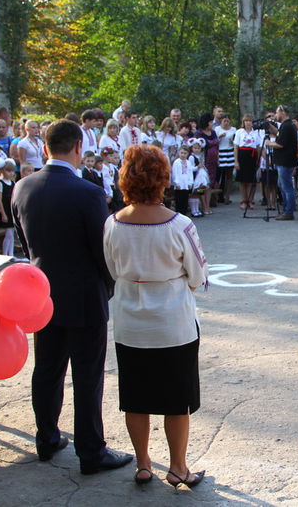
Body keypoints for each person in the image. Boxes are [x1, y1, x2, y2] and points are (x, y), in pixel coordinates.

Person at [12, 119, 132, 474]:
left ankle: (47, 439)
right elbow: (103, 250)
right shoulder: (88, 192)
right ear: (79, 147)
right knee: (87, 376)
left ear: (45, 148)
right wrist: (108, 286)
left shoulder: (22, 187)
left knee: (46, 370)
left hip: (41, 295)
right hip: (83, 296)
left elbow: (25, 241)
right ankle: (91, 452)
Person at [102, 144, 207, 488]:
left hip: (130, 323)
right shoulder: (181, 225)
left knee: (136, 396)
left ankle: (144, 464)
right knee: (177, 401)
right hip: (173, 324)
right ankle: (178, 467)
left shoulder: (113, 223)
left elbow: (113, 268)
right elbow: (197, 275)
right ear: (163, 178)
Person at [266, 105, 298, 220]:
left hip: (285, 161)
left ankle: (289, 211)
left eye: (277, 112)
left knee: (287, 186)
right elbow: (279, 134)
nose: (275, 115)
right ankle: (286, 209)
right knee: (282, 185)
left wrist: (269, 143)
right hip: (283, 161)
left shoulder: (288, 126)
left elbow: (280, 143)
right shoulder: (286, 126)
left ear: (283, 112)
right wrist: (269, 127)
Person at [233, 115, 261, 211]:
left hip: (252, 156)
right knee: (242, 180)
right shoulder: (239, 132)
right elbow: (236, 147)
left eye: (250, 121)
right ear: (243, 122)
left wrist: (258, 160)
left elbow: (258, 147)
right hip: (242, 155)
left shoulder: (255, 133)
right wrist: (236, 161)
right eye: (246, 121)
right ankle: (243, 200)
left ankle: (250, 200)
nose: (248, 123)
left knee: (250, 180)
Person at [0, 158, 17, 256]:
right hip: (5, 210)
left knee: (11, 234)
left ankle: (10, 254)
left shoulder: (12, 183)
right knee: (8, 234)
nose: (11, 173)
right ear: (2, 171)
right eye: (8, 171)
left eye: (12, 171)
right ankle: (5, 254)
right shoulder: (0, 183)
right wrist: (3, 213)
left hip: (11, 209)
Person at [214, 115, 236, 205]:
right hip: (220, 152)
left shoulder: (233, 129)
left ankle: (227, 196)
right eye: (224, 121)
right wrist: (219, 137)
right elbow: (214, 142)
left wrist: (232, 141)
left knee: (229, 176)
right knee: (218, 176)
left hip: (230, 152)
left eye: (227, 121)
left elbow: (236, 142)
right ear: (221, 121)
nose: (226, 122)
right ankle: (216, 197)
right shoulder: (217, 129)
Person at [171, 146, 194, 215]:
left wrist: (190, 183)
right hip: (179, 184)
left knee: (185, 199)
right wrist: (176, 183)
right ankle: (179, 214)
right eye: (181, 153)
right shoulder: (177, 162)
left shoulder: (188, 162)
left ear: (188, 154)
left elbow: (190, 173)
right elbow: (175, 173)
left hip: (186, 184)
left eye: (185, 153)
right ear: (179, 153)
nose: (183, 155)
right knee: (179, 200)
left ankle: (184, 213)